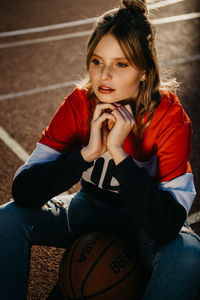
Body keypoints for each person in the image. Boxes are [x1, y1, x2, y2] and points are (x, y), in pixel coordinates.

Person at [0, 0, 200, 299]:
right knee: (8, 219)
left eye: (121, 64)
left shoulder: (169, 117)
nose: (105, 75)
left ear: (144, 70)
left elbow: (164, 226)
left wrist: (118, 152)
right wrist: (86, 154)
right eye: (97, 61)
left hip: (146, 226)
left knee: (189, 253)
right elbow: (24, 191)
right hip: (89, 209)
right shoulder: (80, 103)